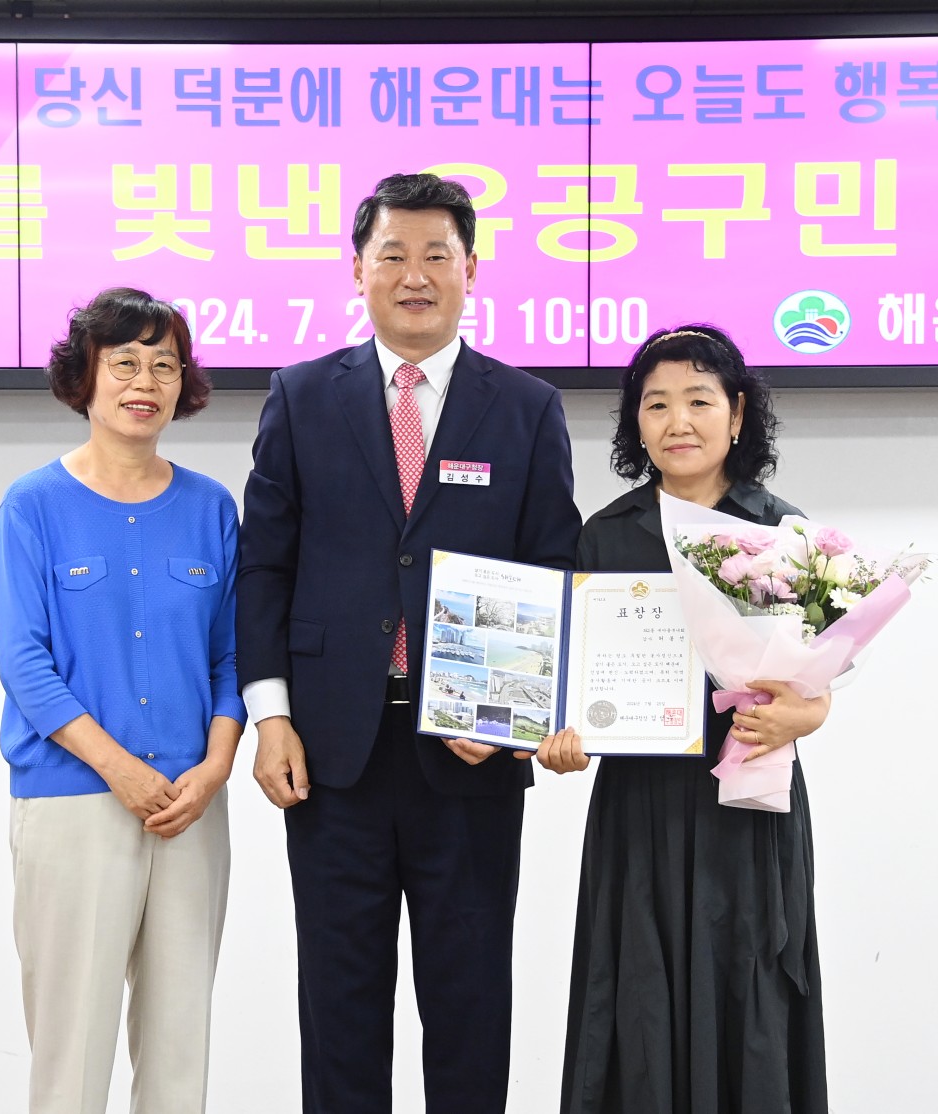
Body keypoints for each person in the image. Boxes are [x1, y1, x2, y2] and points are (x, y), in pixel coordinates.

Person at [236, 172, 582, 1114]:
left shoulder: (527, 407)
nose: (416, 275)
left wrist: (512, 717)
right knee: (339, 1006)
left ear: (473, 270)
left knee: (469, 1004)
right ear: (358, 270)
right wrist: (271, 717)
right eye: (393, 254)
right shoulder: (302, 396)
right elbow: (263, 567)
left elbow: (552, 568)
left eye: (438, 255)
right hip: (330, 752)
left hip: (469, 755)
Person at [537, 325, 831, 1114]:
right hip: (641, 808)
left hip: (748, 802)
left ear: (737, 414)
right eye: (657, 404)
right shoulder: (605, 535)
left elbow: (817, 687)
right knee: (637, 990)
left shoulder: (780, 531)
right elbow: (571, 685)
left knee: (750, 991)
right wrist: (561, 740)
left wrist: (801, 717)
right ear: (636, 423)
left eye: (699, 401)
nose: (679, 422)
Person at [0, 287, 245, 1114]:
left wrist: (215, 767)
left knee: (180, 1048)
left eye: (164, 365)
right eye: (125, 362)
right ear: (86, 376)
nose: (146, 382)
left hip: (190, 805)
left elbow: (231, 655)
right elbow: (25, 664)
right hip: (75, 801)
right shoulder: (34, 505)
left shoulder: (211, 508)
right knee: (72, 1052)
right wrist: (120, 769)